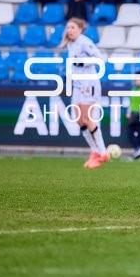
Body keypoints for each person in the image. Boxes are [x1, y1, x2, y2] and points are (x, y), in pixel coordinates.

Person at [58, 17, 109, 168]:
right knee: (78, 119)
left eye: (73, 27)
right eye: (68, 28)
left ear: (80, 29)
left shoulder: (85, 42)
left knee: (87, 118)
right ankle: (94, 151)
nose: (70, 30)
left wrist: (82, 62)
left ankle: (103, 152)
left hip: (89, 83)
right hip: (78, 85)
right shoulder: (71, 44)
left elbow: (100, 59)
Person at [126, 71, 140, 160]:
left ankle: (139, 150)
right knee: (130, 134)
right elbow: (131, 102)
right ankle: (138, 149)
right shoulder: (133, 89)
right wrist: (128, 112)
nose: (136, 80)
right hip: (133, 115)